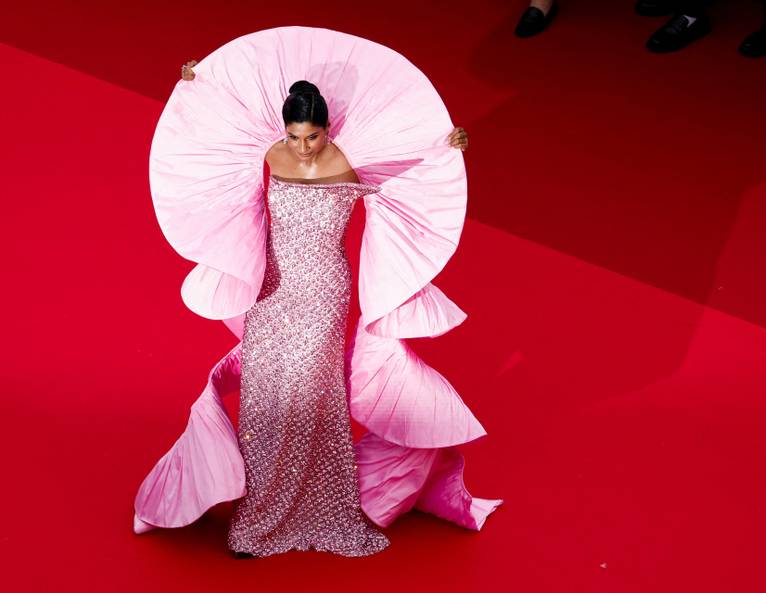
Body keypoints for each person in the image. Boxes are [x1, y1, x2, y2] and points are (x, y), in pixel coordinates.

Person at [135, 26, 502, 559]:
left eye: (313, 136)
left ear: (330, 128)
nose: (304, 148)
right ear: (282, 130)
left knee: (309, 403)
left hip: (324, 296)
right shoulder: (269, 153)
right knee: (264, 403)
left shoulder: (353, 161)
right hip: (271, 292)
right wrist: (199, 83)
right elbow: (218, 122)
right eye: (295, 137)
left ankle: (318, 509)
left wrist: (448, 147)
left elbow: (415, 168)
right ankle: (257, 517)